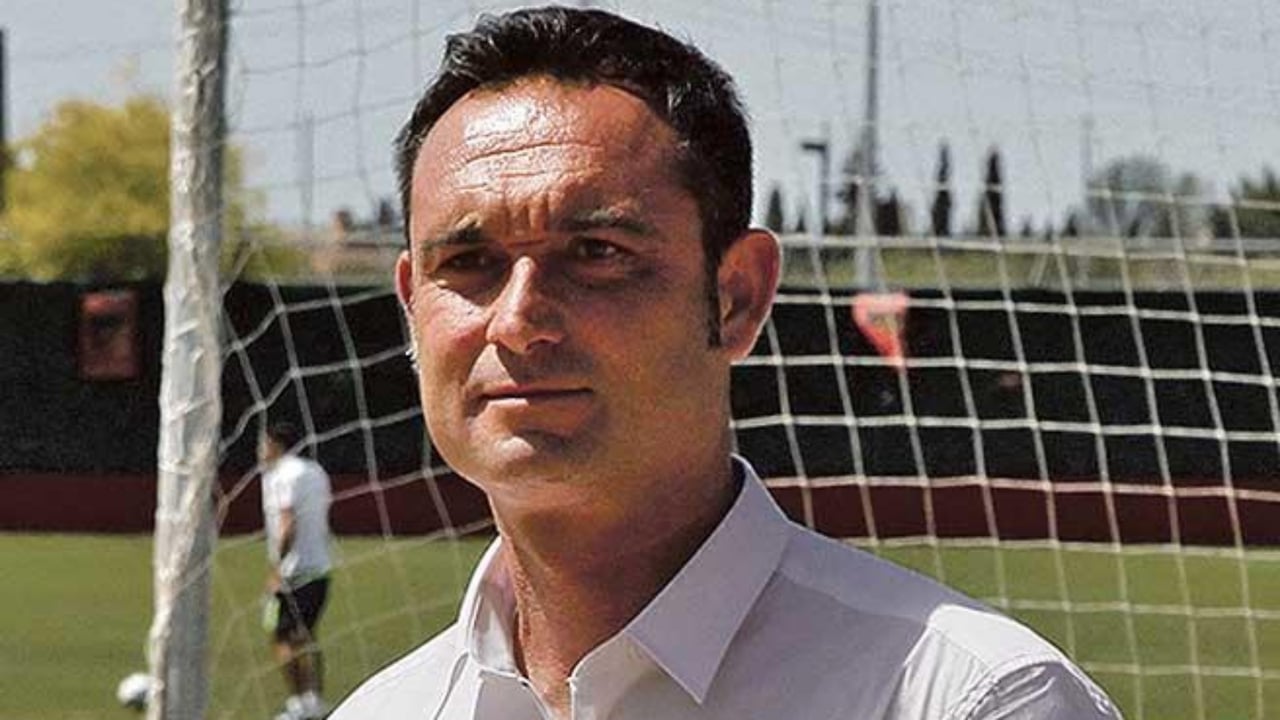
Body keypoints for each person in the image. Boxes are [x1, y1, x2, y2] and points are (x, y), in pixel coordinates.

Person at [333, 6, 1121, 719]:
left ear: (737, 297)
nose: (517, 320)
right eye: (468, 262)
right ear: (411, 305)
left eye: (597, 253)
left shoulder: (969, 700)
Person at [259, 421, 333, 720]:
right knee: (307, 636)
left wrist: (277, 568)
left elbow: (288, 523)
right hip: (321, 567)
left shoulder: (282, 474)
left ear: (275, 444)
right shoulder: (316, 471)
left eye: (263, 443)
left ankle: (298, 705)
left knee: (283, 638)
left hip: (295, 572)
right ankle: (315, 701)